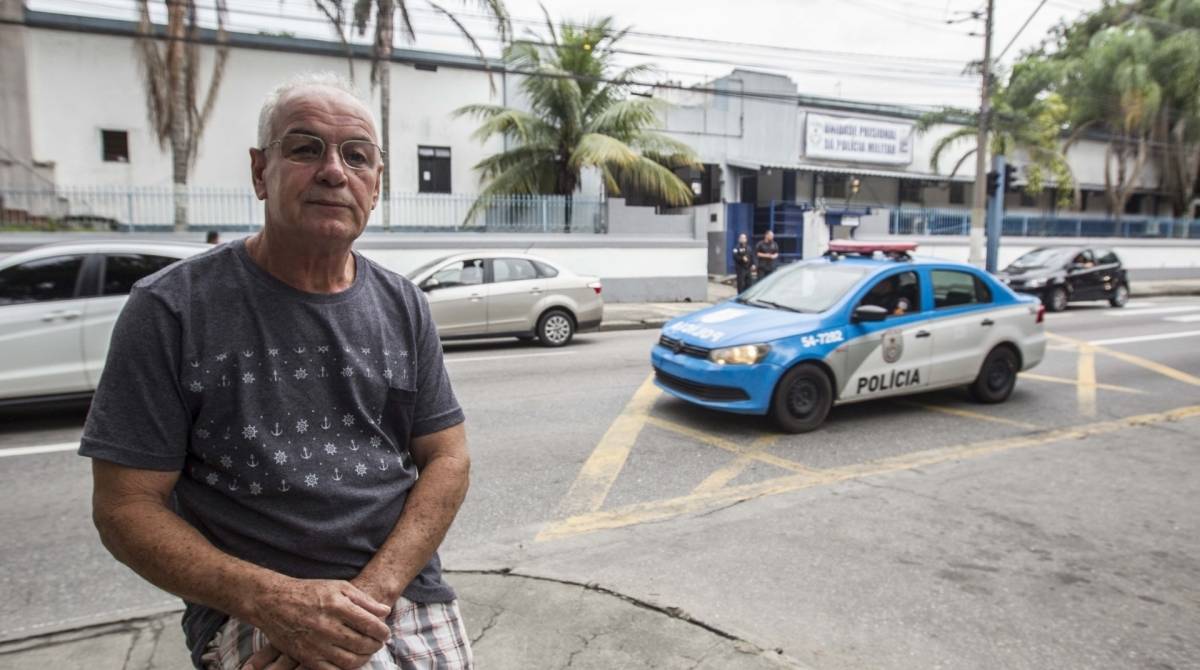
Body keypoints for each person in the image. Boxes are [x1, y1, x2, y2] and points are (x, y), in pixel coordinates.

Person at [80, 73, 473, 670]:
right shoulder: (172, 308)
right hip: (252, 604)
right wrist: (276, 601)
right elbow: (124, 507)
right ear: (260, 171)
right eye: (305, 148)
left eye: (357, 156)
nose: (335, 172)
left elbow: (448, 458)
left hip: (399, 588)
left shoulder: (403, 303)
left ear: (376, 184)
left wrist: (369, 597)